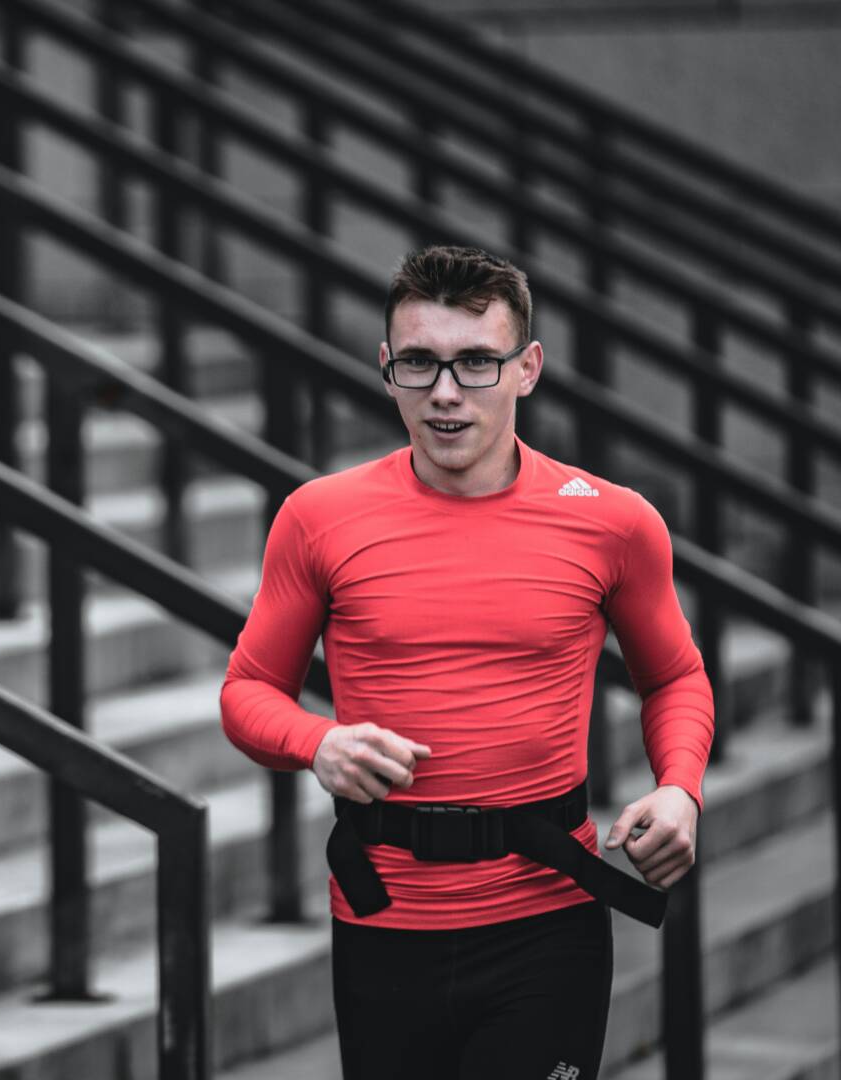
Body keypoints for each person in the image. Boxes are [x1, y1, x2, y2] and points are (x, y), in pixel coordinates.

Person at [219, 245, 714, 1079]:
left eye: (476, 363)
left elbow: (674, 677)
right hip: (382, 926)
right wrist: (319, 743)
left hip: (546, 926)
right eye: (419, 362)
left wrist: (680, 789)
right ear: (385, 369)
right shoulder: (319, 517)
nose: (445, 393)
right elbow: (247, 691)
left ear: (527, 369)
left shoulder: (614, 522)